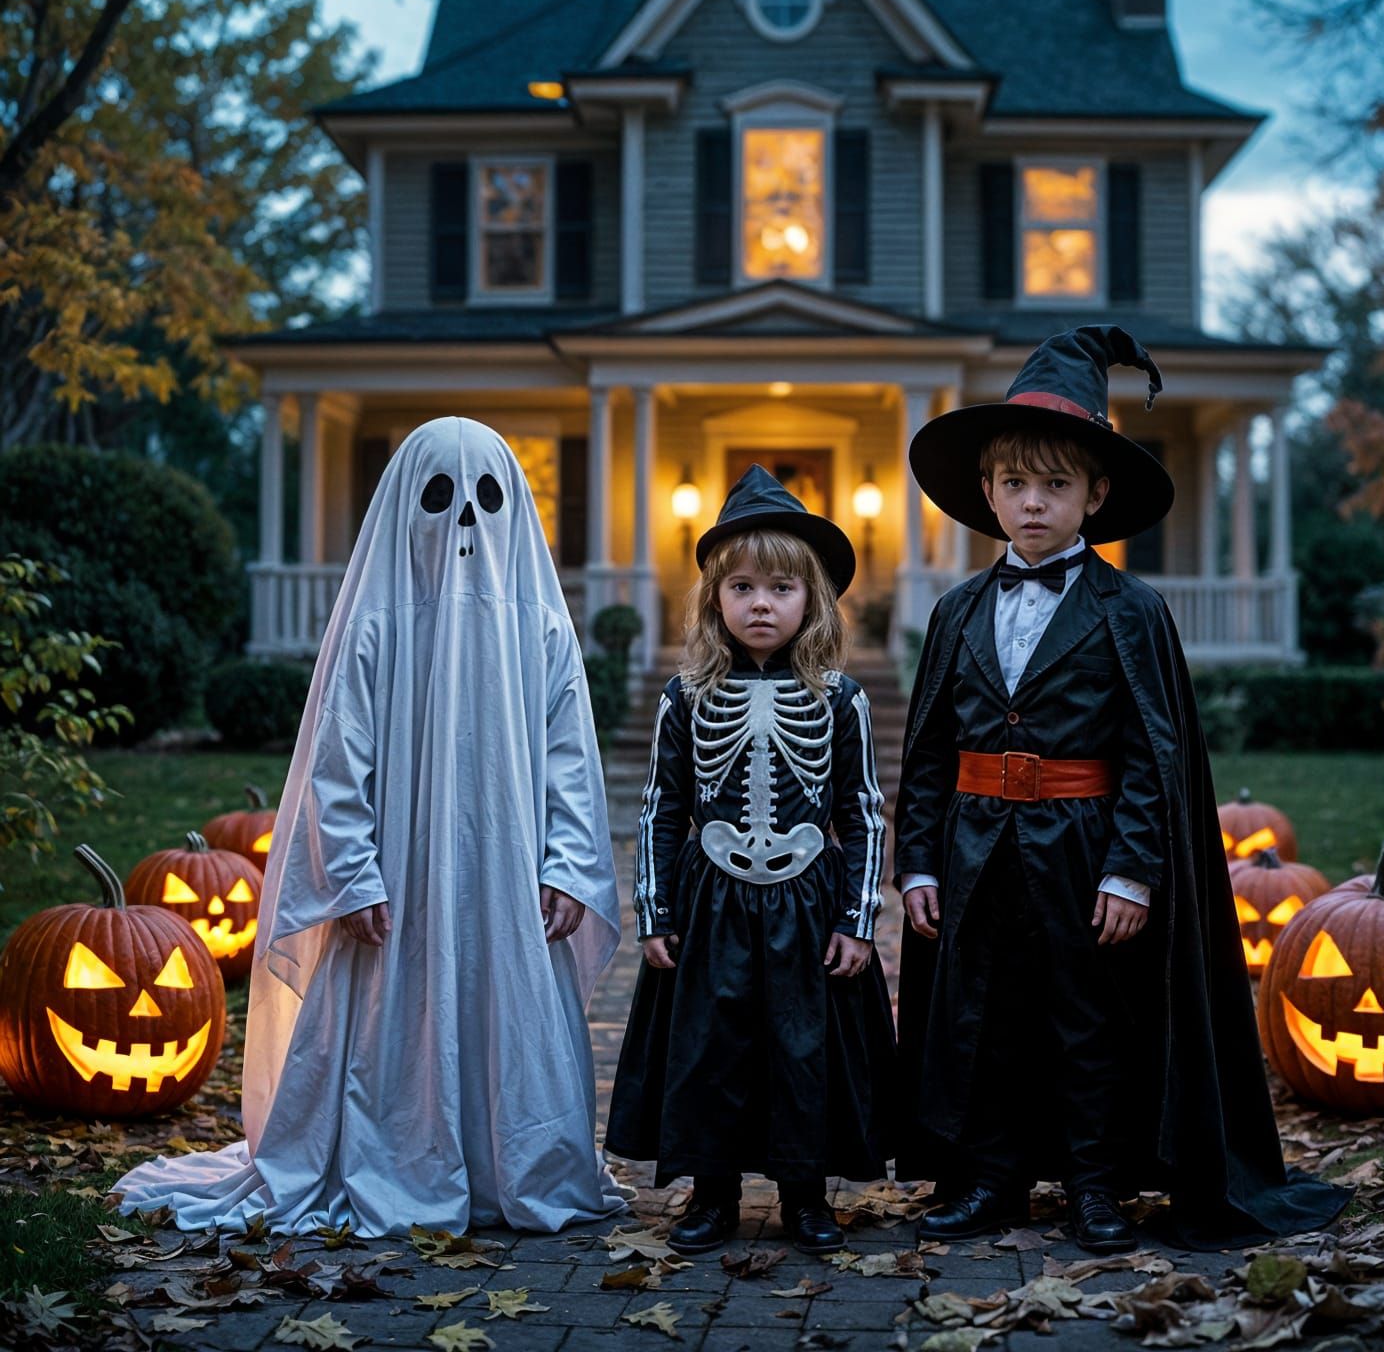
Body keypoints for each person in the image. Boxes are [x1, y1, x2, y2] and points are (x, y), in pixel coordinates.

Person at [113, 418, 625, 1236]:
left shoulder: (544, 629)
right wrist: (349, 872)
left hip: (509, 878)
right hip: (399, 881)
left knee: (508, 1017)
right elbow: (337, 766)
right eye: (439, 496)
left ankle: (506, 1169)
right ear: (401, 508)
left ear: (515, 508)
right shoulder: (376, 625)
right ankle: (399, 1160)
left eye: (485, 498)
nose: (463, 519)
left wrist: (567, 862)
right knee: (395, 1021)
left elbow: (571, 760)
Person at [896, 326, 1347, 1250]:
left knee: (1087, 1018)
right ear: (985, 491)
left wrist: (1132, 869)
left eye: (1056, 485)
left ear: (1096, 496)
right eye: (1015, 484)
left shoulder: (1131, 611)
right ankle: (992, 1179)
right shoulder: (954, 612)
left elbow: (1155, 756)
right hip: (975, 847)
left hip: (1084, 846)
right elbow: (928, 751)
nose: (1033, 502)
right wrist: (915, 865)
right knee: (987, 1016)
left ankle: (1097, 1185)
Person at [606, 465, 895, 1256]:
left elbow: (863, 812)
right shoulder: (684, 695)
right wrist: (656, 914)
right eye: (740, 587)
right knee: (710, 1049)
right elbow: (662, 808)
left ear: (812, 602)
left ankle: (806, 1195)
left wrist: (859, 920)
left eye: (779, 588)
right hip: (711, 903)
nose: (760, 603)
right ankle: (712, 1193)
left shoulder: (842, 699)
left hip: (808, 903)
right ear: (714, 600)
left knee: (804, 1049)